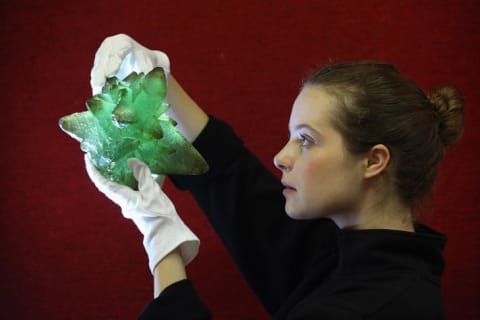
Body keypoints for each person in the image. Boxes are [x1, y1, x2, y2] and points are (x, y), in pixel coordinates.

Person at [85, 34, 464, 319]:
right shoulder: (353, 252)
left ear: (374, 160)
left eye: (306, 140)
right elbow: (248, 201)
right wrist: (161, 83)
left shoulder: (376, 305)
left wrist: (158, 228)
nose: (281, 157)